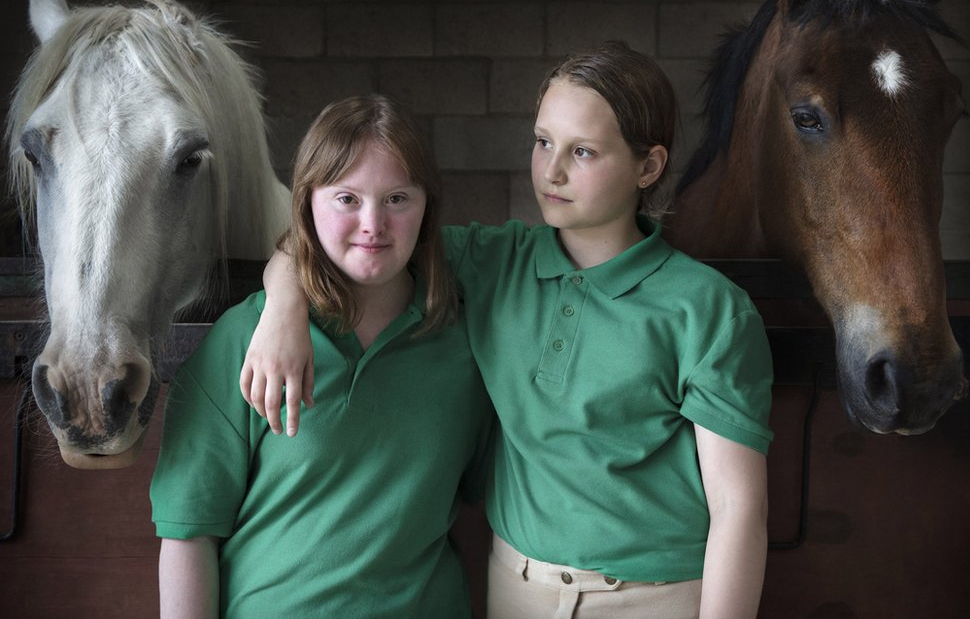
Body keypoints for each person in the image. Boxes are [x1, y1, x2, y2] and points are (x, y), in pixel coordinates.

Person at [243, 41, 773, 619]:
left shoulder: (709, 309)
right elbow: (337, 236)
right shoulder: (493, 262)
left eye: (585, 152)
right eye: (543, 141)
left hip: (656, 598)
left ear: (648, 166)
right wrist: (282, 311)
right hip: (516, 589)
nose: (553, 170)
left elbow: (739, 509)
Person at [150, 95, 494, 618]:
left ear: (427, 207)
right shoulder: (245, 337)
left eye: (397, 198)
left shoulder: (466, 342)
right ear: (308, 202)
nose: (373, 224)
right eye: (347, 199)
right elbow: (188, 535)